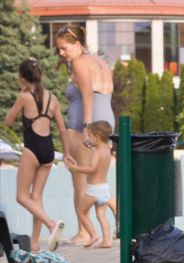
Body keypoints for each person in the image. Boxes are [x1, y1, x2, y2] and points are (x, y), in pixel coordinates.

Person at [54, 24, 115, 246]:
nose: (61, 53)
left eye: (64, 48)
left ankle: (84, 232)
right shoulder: (100, 62)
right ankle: (113, 226)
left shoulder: (79, 63)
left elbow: (87, 93)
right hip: (107, 116)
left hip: (85, 122)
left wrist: (86, 126)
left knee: (80, 180)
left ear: (77, 43)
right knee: (100, 180)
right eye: (59, 49)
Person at [4, 58, 68, 251]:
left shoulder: (25, 96)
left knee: (22, 197)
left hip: (32, 148)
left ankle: (50, 223)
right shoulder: (52, 98)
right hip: (48, 149)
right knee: (36, 196)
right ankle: (35, 244)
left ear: (22, 77)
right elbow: (62, 129)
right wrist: (66, 154)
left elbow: (8, 121)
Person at [65, 120, 114, 248]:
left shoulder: (97, 153)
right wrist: (91, 146)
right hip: (104, 189)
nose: (89, 139)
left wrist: (74, 168)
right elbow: (96, 148)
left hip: (94, 190)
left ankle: (93, 235)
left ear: (97, 137)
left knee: (81, 211)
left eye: (90, 136)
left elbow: (92, 169)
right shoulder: (107, 150)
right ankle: (107, 240)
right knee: (101, 216)